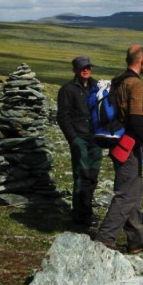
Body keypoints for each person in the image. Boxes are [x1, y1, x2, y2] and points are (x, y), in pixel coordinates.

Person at [95, 44, 143, 253]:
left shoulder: (119, 80)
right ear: (142, 61)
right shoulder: (134, 83)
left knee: (134, 190)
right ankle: (105, 237)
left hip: (120, 141)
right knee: (126, 193)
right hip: (128, 143)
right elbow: (135, 118)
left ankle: (136, 239)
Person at [57, 55, 103, 226]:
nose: (86, 70)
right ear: (75, 70)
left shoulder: (97, 87)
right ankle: (79, 215)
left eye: (88, 67)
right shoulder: (67, 90)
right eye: (82, 67)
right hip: (80, 139)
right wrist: (73, 139)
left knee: (92, 176)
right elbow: (62, 117)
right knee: (81, 175)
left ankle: (87, 211)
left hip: (96, 139)